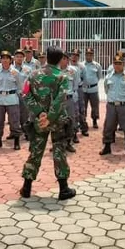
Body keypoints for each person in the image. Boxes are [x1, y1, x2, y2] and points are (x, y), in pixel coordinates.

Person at [20, 46, 76, 201]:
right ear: (59, 60)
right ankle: (63, 189)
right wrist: (50, 117)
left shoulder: (33, 74)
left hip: (39, 121)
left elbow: (25, 94)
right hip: (57, 120)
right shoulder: (62, 76)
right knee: (59, 152)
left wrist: (39, 113)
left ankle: (26, 187)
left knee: (36, 151)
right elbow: (60, 100)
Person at [100, 54, 125, 158]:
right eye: (115, 63)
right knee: (108, 126)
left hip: (124, 106)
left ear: (124, 64)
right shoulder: (108, 76)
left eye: (119, 63)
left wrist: (123, 99)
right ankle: (107, 146)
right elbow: (106, 89)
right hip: (111, 105)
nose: (117, 66)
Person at [0, 51, 23, 150]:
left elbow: (19, 86)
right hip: (0, 99)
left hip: (12, 98)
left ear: (10, 60)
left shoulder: (15, 72)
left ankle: (16, 141)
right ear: (0, 60)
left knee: (14, 121)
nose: (4, 60)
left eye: (7, 58)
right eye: (3, 58)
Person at [60, 51, 80, 152]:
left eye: (65, 58)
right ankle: (57, 143)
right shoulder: (55, 71)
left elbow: (76, 85)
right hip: (58, 100)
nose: (63, 61)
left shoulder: (73, 71)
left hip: (69, 99)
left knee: (70, 120)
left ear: (68, 60)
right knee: (58, 122)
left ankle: (68, 142)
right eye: (61, 58)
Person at [13, 49, 33, 137]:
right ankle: (14, 132)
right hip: (13, 95)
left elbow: (30, 82)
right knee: (14, 114)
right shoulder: (10, 69)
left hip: (24, 95)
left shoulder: (28, 69)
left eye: (21, 57)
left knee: (25, 115)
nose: (19, 58)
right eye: (17, 56)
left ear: (23, 58)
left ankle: (26, 132)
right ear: (14, 58)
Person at [70, 49, 89, 136]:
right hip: (70, 90)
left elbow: (85, 79)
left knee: (81, 109)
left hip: (79, 89)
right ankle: (73, 130)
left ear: (79, 56)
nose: (75, 57)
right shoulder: (67, 65)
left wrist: (83, 90)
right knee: (73, 110)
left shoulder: (82, 67)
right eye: (73, 55)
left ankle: (84, 128)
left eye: (77, 55)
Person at [83, 47, 102, 130]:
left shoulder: (97, 65)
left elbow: (99, 76)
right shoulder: (81, 65)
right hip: (84, 89)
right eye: (87, 54)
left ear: (93, 55)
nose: (89, 56)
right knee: (83, 106)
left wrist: (92, 83)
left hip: (93, 89)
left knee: (95, 106)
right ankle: (83, 121)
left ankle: (94, 121)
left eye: (90, 54)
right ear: (85, 55)